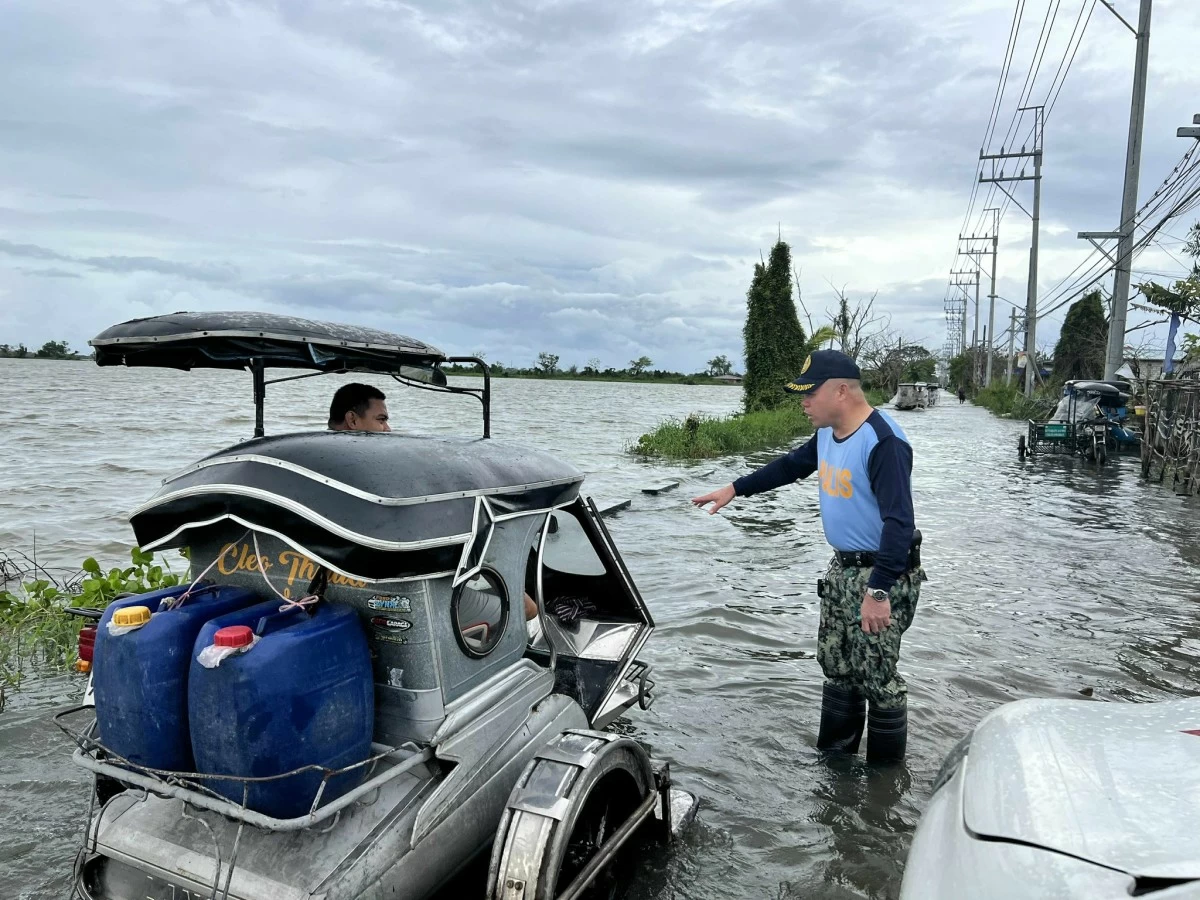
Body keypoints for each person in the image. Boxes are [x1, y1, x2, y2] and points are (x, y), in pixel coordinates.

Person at [692, 350, 924, 763]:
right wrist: (735, 488)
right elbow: (788, 467)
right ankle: (835, 769)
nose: (803, 402)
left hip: (881, 575)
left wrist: (879, 592)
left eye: (808, 394)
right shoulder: (827, 435)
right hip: (843, 570)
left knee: (878, 678)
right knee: (837, 667)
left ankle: (883, 786)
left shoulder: (883, 442)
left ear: (840, 391)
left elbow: (899, 525)